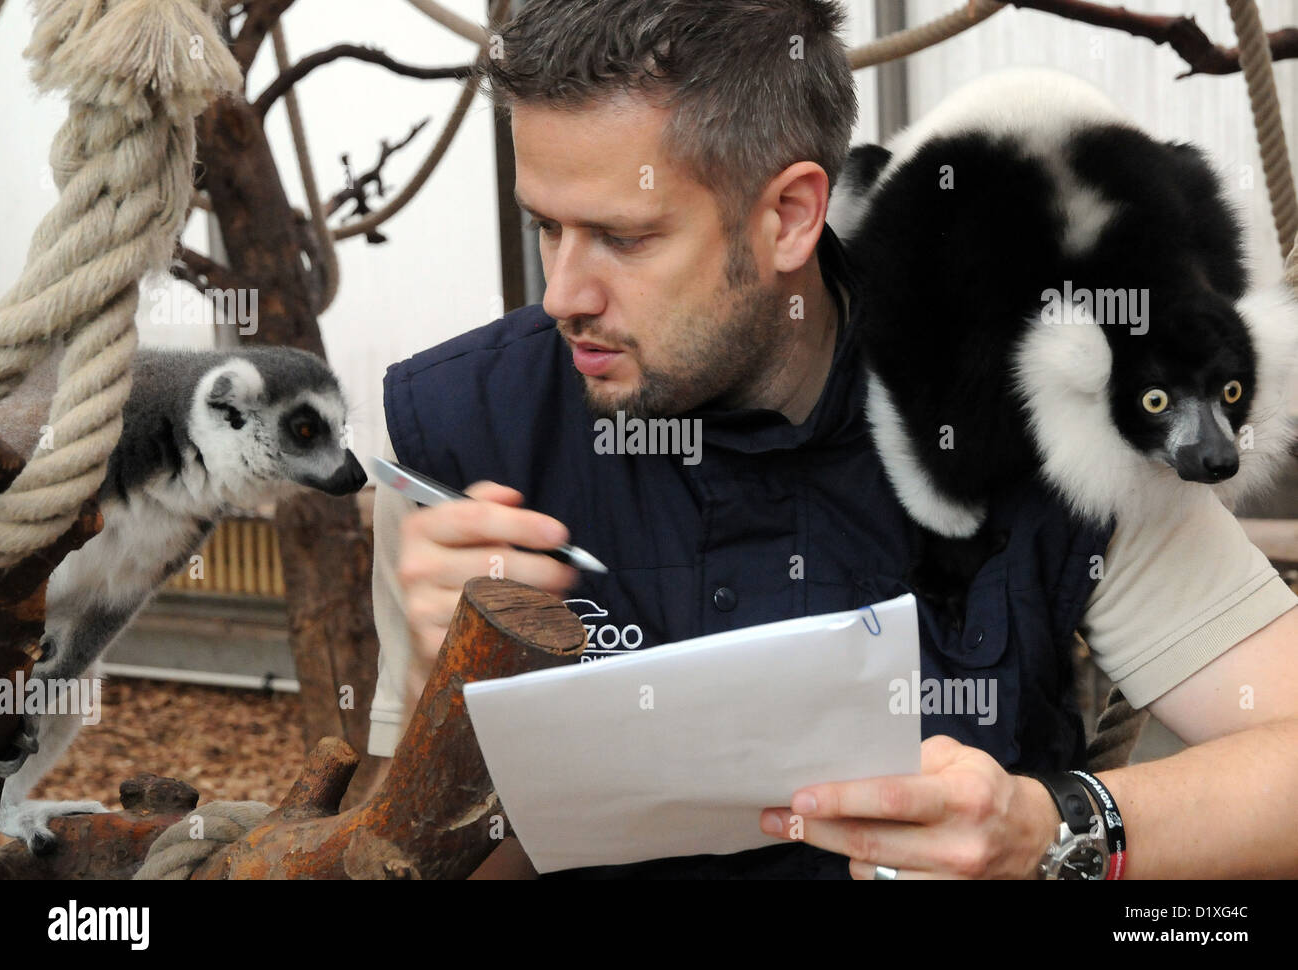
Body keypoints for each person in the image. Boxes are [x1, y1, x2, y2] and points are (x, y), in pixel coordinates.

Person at [364, 0, 1298, 879]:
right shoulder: (468, 434)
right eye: (545, 226)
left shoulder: (1036, 405)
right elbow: (408, 860)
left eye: (623, 237)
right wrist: (449, 696)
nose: (563, 294)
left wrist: (1053, 831)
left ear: (790, 216)